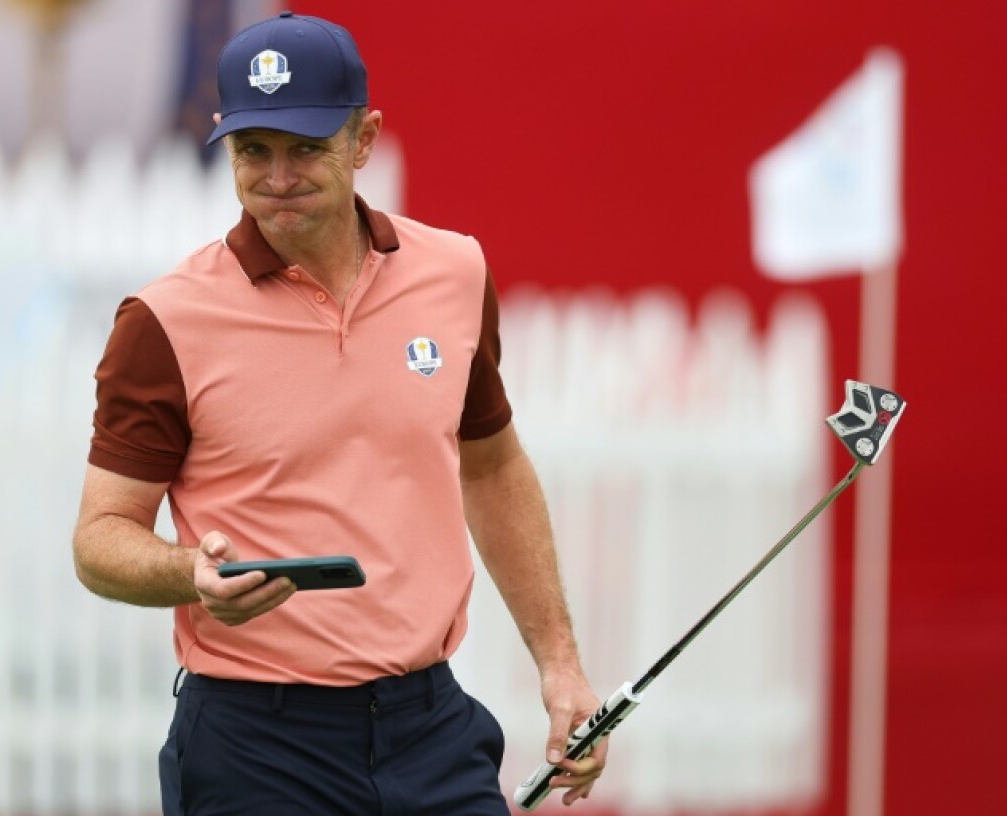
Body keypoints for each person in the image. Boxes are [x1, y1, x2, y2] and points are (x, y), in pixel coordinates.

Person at [72, 11, 607, 815]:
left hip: (432, 728)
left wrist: (560, 663)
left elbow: (492, 466)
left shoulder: (454, 273)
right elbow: (98, 539)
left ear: (365, 140)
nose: (278, 176)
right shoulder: (163, 322)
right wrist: (192, 574)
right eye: (254, 151)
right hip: (255, 744)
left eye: (307, 147)